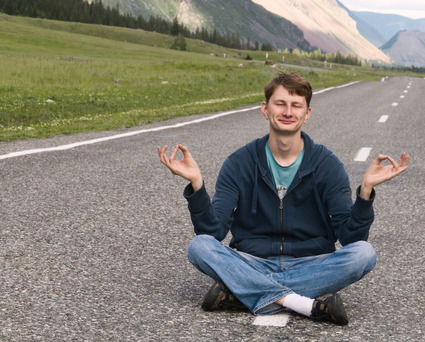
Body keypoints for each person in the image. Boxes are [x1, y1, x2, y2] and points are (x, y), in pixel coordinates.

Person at [157, 72, 409, 325]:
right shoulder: (239, 162)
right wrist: (197, 184)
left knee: (364, 254)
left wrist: (365, 191)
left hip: (311, 263)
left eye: (296, 105)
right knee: (199, 247)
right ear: (265, 109)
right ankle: (301, 302)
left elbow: (351, 238)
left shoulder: (327, 165)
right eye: (280, 104)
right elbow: (212, 232)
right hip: (253, 261)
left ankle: (241, 293)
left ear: (306, 113)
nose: (288, 111)